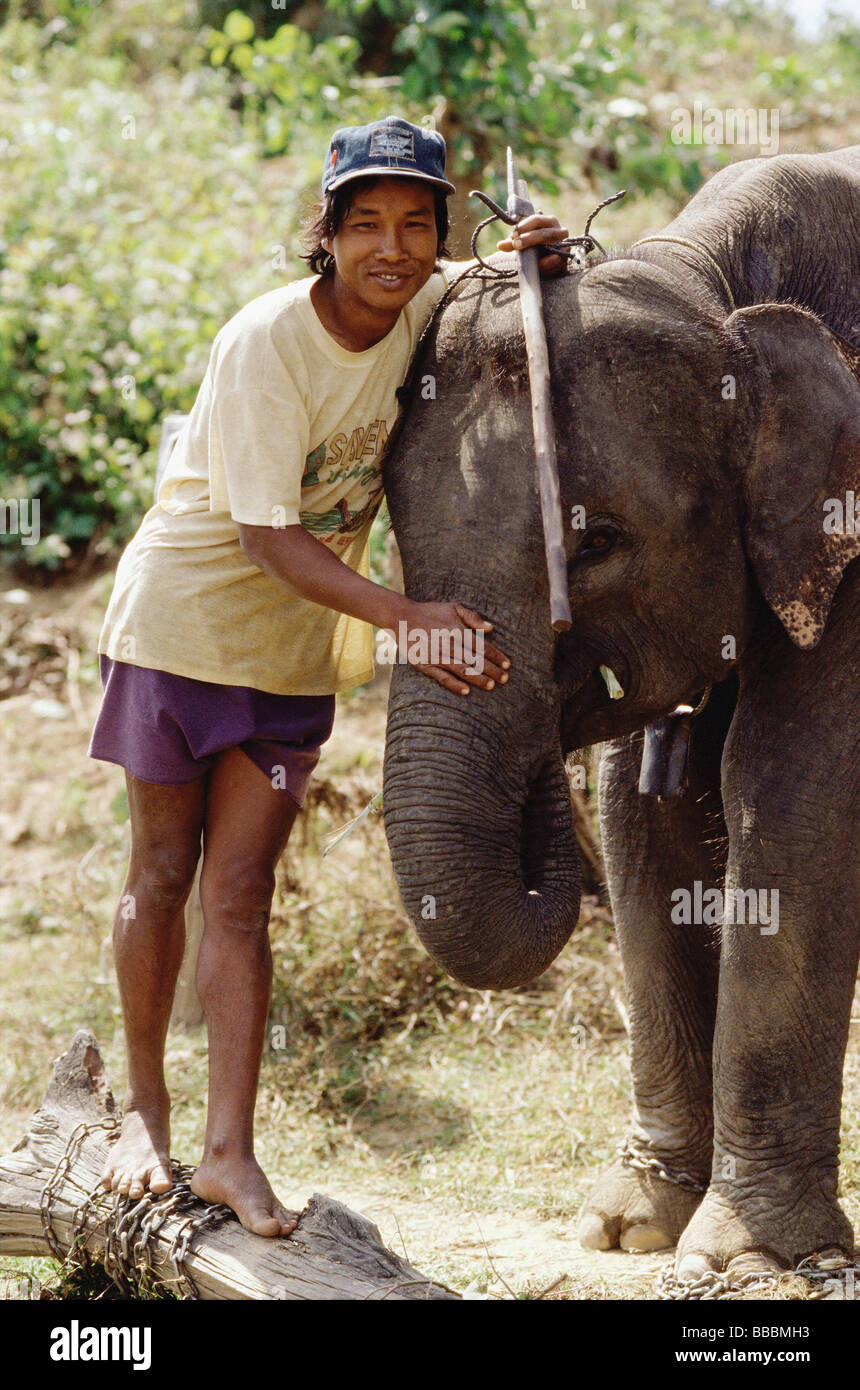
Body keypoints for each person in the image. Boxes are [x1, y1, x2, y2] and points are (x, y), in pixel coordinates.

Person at [89, 116, 568, 1237]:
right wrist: (408, 619)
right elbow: (265, 536)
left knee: (240, 898)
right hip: (181, 631)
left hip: (292, 650)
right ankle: (142, 1119)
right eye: (365, 226)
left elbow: (477, 276)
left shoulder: (421, 302)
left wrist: (522, 251)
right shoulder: (267, 341)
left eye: (415, 224)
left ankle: (227, 1153)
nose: (390, 249)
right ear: (325, 235)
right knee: (162, 873)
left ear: (439, 231)